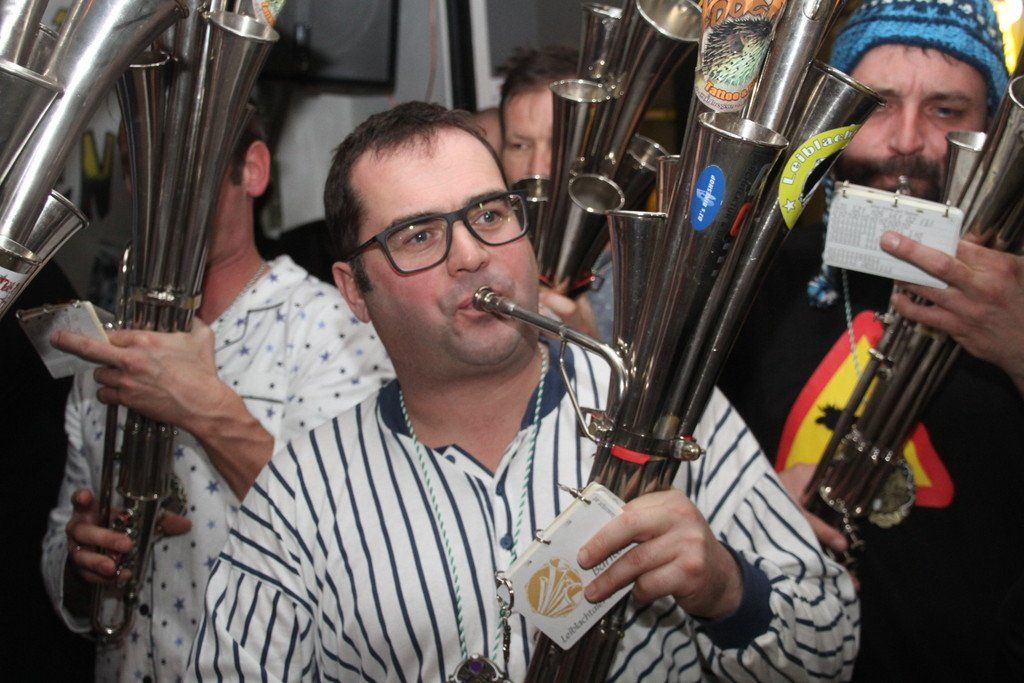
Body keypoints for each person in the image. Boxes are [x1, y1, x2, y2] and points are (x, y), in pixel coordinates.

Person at [188, 101, 858, 681]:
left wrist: (728, 591)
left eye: (489, 213)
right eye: (418, 235)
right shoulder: (300, 492)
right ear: (354, 290)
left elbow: (833, 646)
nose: (471, 255)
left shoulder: (664, 407)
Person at [718, 0, 1024, 678]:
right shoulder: (758, 274)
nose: (906, 140)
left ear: (993, 128)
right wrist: (742, 505)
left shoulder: (1019, 292)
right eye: (877, 105)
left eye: (946, 110)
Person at [41, 116, 394, 682]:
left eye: (181, 164)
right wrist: (85, 565)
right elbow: (62, 562)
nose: (154, 191)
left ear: (252, 170)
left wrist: (203, 409)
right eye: (137, 168)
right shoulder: (108, 350)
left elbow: (354, 544)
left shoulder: (337, 331)